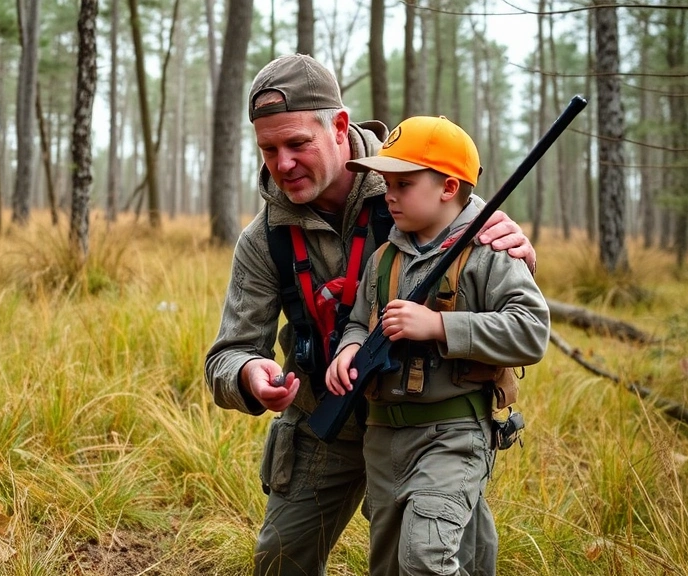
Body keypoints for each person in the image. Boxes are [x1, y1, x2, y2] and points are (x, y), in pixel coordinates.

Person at [203, 54, 536, 576]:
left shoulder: (413, 181)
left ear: (339, 126)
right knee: (278, 562)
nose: (282, 163)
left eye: (297, 144)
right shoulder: (264, 238)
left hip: (432, 423)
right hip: (324, 419)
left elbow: (488, 262)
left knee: (437, 561)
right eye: (268, 149)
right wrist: (248, 375)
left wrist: (512, 243)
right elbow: (227, 355)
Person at [325, 114, 550, 575]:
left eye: (403, 183)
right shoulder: (383, 257)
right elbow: (357, 321)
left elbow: (531, 331)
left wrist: (440, 327)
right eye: (386, 182)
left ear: (448, 188)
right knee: (389, 564)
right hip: (384, 437)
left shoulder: (492, 252)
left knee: (426, 558)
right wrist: (349, 349)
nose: (388, 194)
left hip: (452, 433)